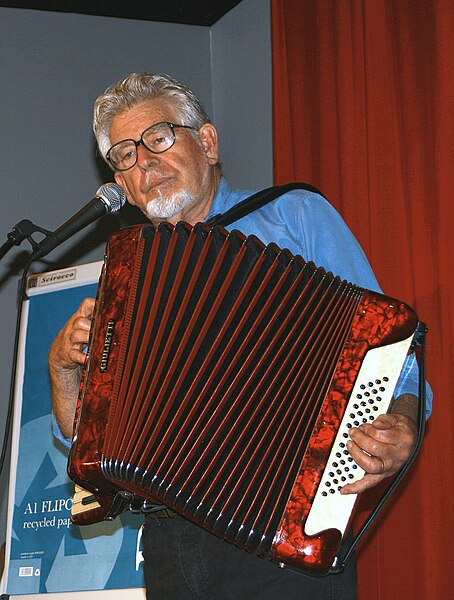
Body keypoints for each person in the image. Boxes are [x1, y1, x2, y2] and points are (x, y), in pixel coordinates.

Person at [49, 72, 431, 600]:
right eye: (124, 155)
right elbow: (92, 456)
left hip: (283, 529)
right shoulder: (127, 283)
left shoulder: (294, 215)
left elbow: (395, 350)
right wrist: (63, 373)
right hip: (170, 545)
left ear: (206, 142)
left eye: (158, 137)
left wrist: (403, 420)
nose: (144, 161)